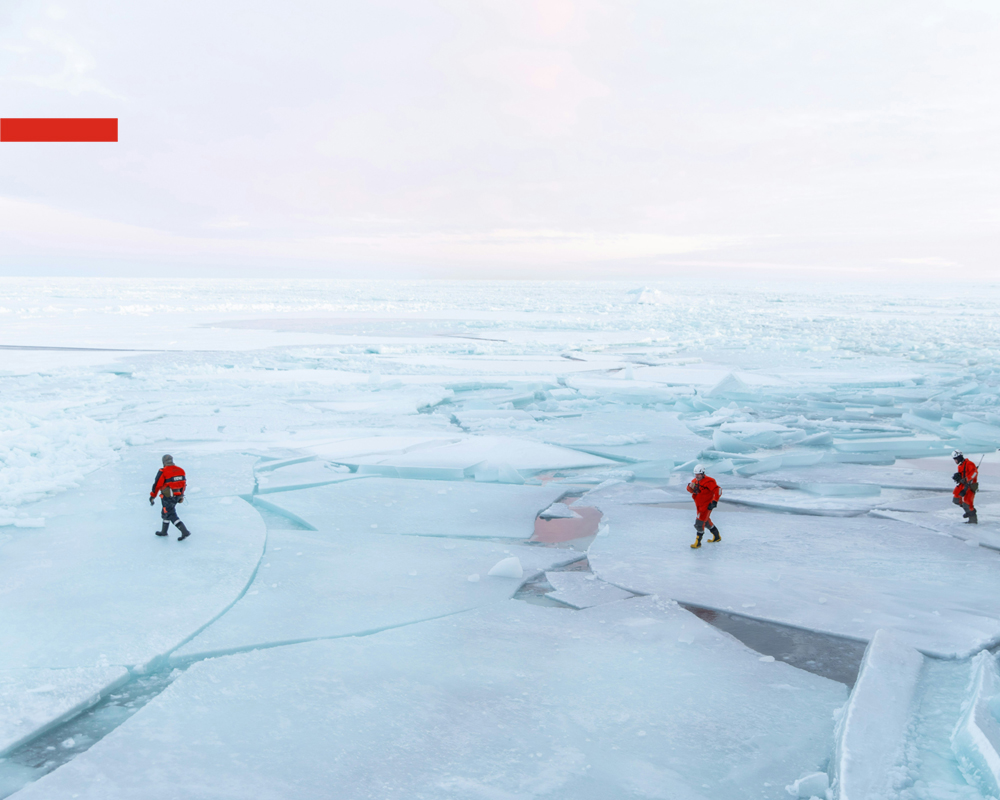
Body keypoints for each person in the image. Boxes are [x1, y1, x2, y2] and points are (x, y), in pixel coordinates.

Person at [150, 454, 192, 540]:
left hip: (167, 497)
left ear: (163, 462)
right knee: (166, 512)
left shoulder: (163, 471)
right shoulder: (181, 470)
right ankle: (164, 531)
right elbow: (183, 484)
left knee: (170, 513)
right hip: (176, 496)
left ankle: (185, 531)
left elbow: (157, 485)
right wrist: (181, 495)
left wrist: (152, 496)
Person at [687, 464, 721, 548]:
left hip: (706, 506)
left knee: (699, 523)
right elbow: (691, 491)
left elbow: (718, 490)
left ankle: (698, 542)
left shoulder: (709, 481)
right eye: (696, 474)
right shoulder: (694, 481)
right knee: (706, 522)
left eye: (698, 474)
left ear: (703, 473)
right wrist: (689, 487)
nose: (697, 476)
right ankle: (717, 536)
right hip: (698, 505)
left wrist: (714, 501)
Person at [952, 450, 978, 525]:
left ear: (959, 457)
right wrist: (958, 477)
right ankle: (969, 511)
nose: (955, 461)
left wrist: (966, 479)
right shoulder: (960, 466)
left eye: (956, 459)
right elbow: (963, 474)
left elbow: (974, 473)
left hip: (970, 486)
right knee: (956, 500)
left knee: (967, 503)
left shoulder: (970, 464)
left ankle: (973, 521)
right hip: (962, 485)